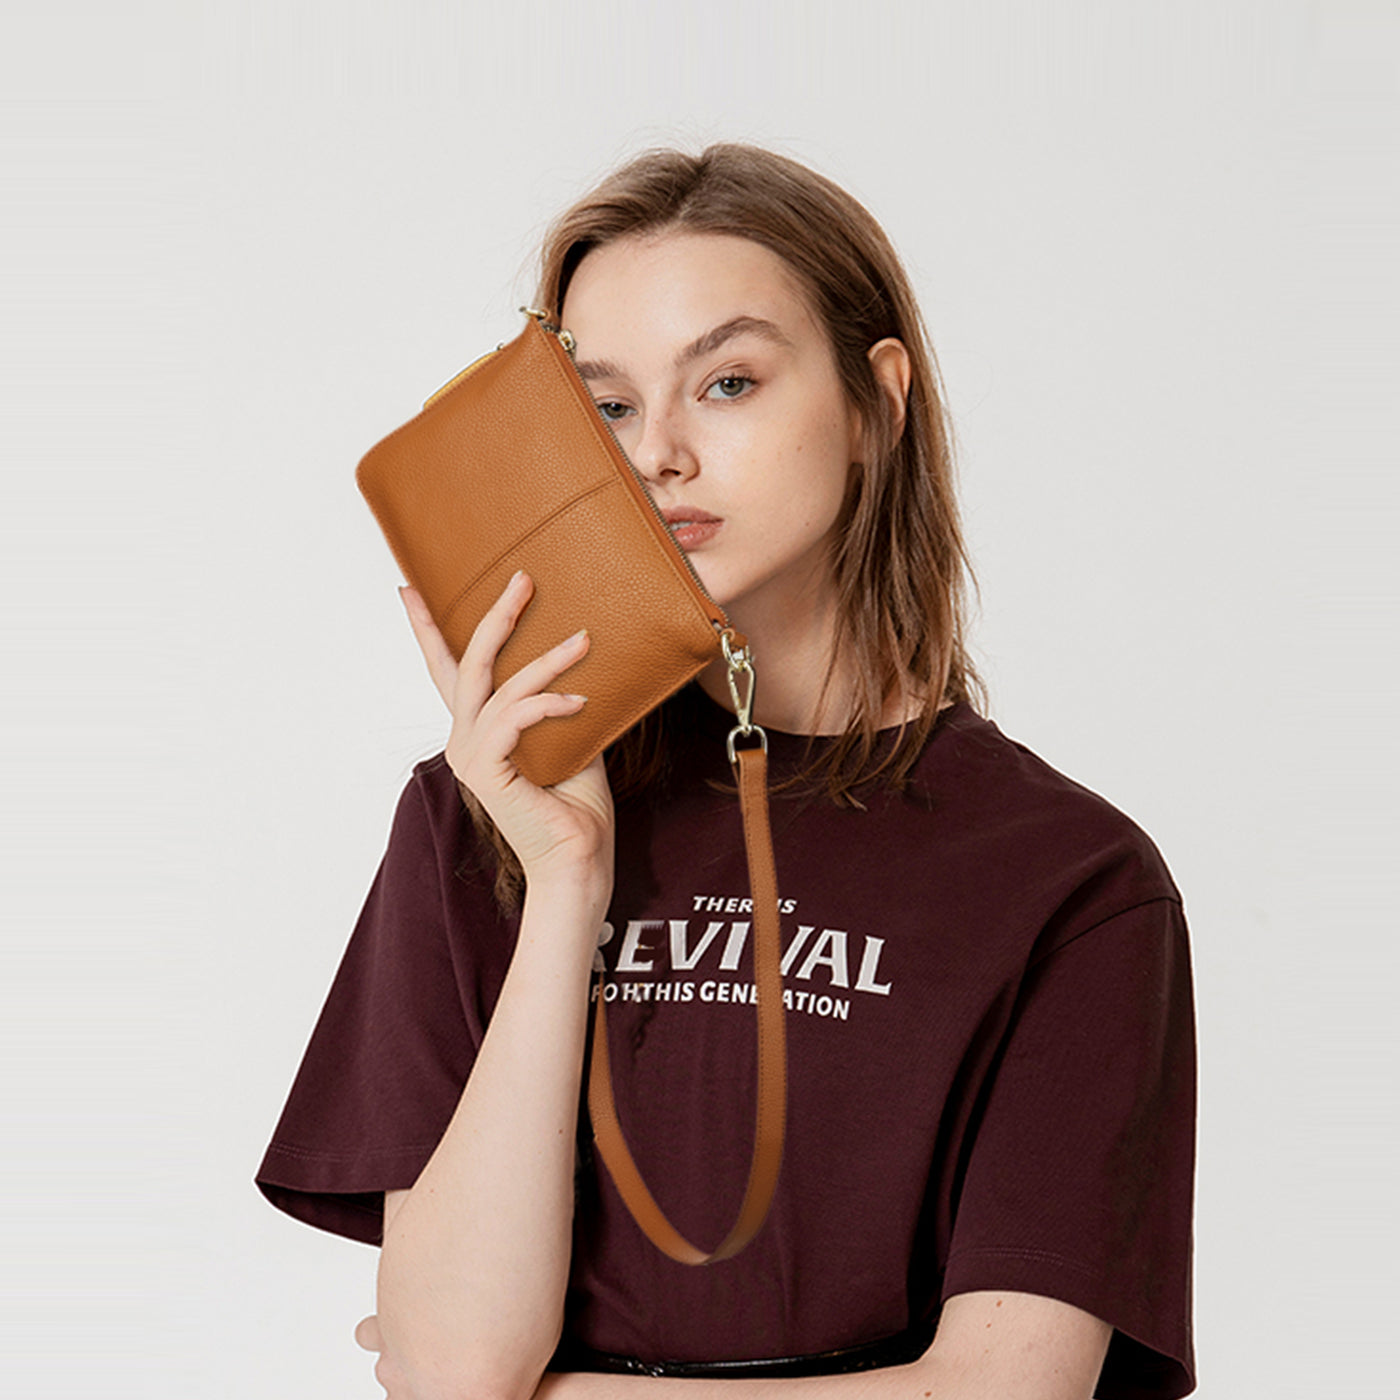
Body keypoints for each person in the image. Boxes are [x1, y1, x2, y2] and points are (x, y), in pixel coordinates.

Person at [256, 143, 1196, 1400]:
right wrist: (566, 880)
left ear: (874, 404)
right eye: (606, 405)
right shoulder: (482, 813)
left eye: (728, 382)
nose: (657, 453)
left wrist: (557, 1396)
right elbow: (456, 1362)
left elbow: (1001, 1390)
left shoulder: (1069, 879)